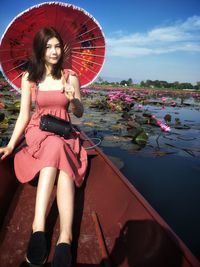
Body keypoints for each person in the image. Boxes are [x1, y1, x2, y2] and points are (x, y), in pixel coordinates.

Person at [0, 27, 88, 267]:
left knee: (58, 146)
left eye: (57, 46)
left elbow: (79, 115)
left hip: (63, 131)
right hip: (39, 131)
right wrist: (10, 145)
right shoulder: (30, 77)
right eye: (48, 46)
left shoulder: (71, 76)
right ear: (40, 49)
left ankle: (63, 236)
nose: (54, 51)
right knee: (54, 146)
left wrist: (74, 99)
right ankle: (42, 227)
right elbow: (24, 115)